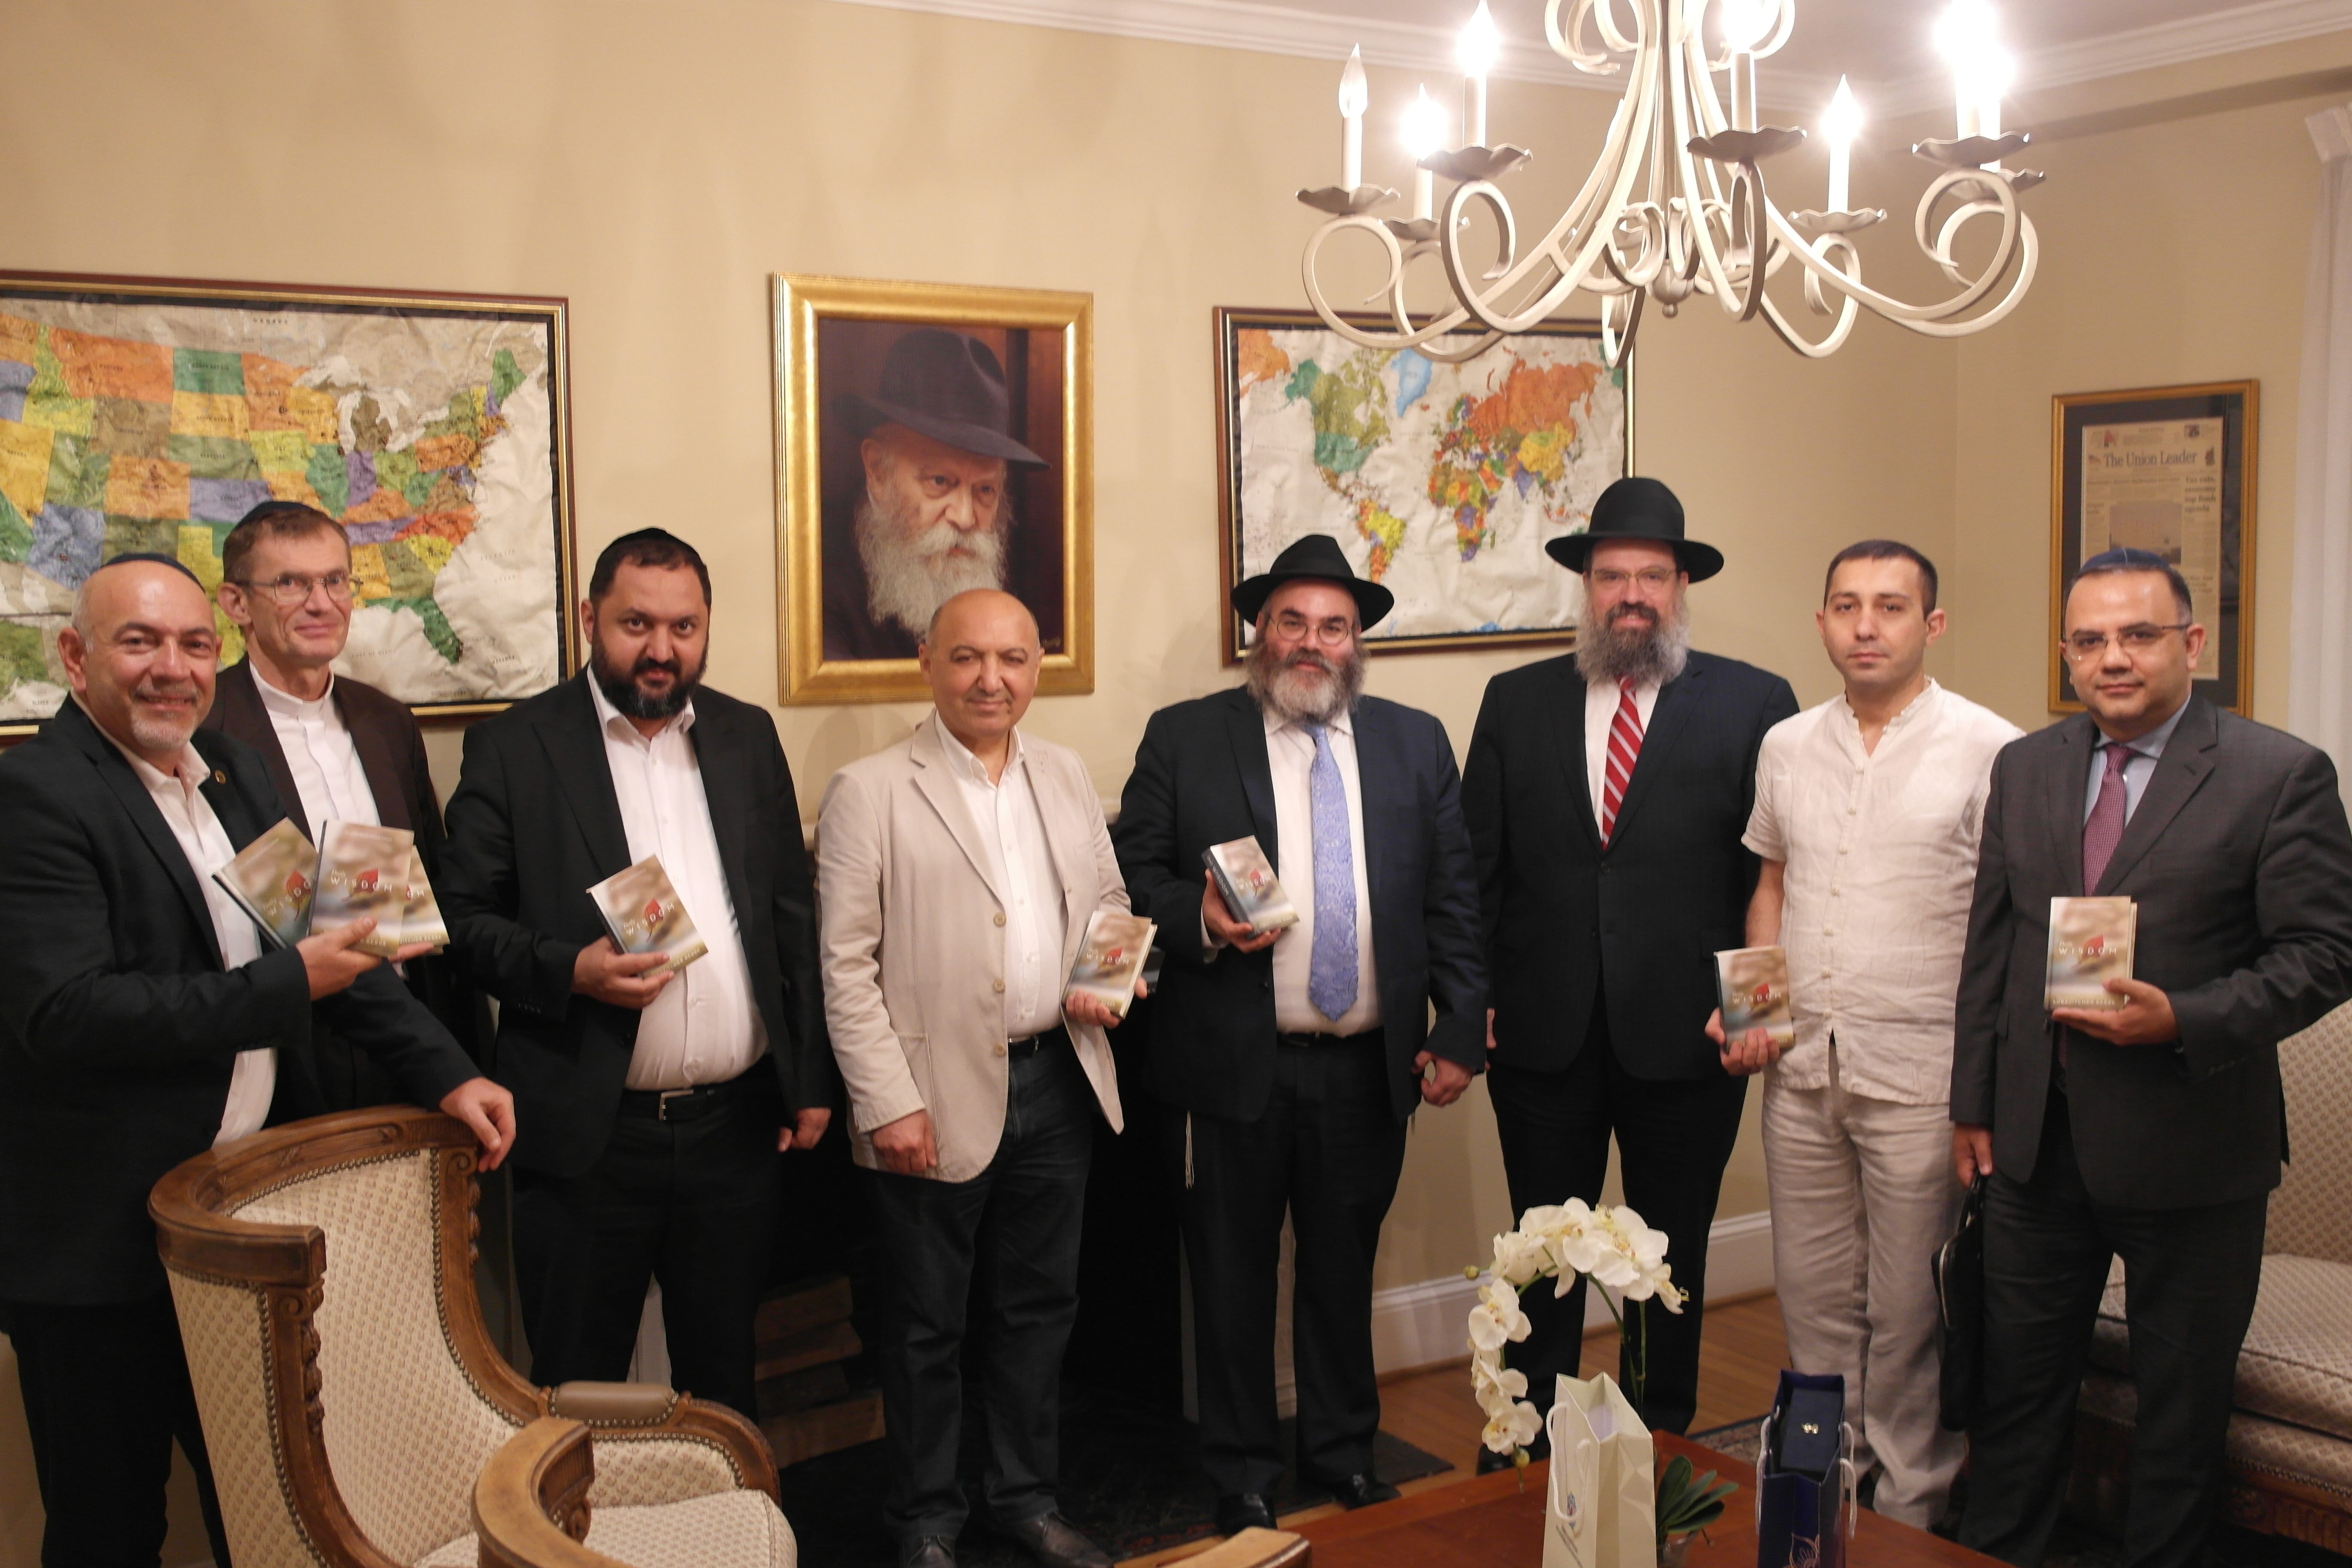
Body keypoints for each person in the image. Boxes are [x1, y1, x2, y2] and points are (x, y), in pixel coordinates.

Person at [0, 554, 512, 1568]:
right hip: (100, 1249)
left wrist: (449, 1072)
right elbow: (66, 1014)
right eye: (140, 642)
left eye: (195, 644)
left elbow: (328, 954)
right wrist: (287, 985)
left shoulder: (226, 773)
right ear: (75, 658)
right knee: (109, 1529)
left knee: (267, 1512)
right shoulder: (34, 794)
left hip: (236, 1229)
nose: (173, 668)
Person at [1951, 547, 2352, 1568]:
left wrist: (2184, 1019)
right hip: (2036, 1149)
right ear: (2066, 655)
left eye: (2138, 635)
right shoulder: (2025, 767)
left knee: (2178, 1422)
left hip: (2193, 1149)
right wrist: (1973, 1106)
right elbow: (1992, 948)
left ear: (2191, 642)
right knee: (2014, 1400)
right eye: (2089, 640)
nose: (2113, 658)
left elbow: (2324, 953)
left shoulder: (2278, 774)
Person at [1114, 533, 1487, 1536]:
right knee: (1230, 1280)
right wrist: (1197, 917)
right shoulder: (1185, 737)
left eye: (1333, 626)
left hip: (1366, 1067)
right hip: (1226, 1067)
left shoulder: (1415, 742)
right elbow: (1129, 877)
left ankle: (1342, 1453)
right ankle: (1241, 1472)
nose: (1312, 643)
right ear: (1260, 633)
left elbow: (1453, 897)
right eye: (1292, 622)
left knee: (1339, 1272)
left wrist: (1459, 1026)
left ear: (1358, 642)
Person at [439, 528, 833, 1419]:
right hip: (590, 1138)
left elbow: (788, 914)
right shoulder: (516, 745)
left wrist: (806, 1078)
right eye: (636, 624)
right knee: (578, 1394)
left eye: (684, 627)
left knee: (723, 1387)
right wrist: (569, 970)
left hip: (735, 1133)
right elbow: (460, 921)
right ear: (589, 619)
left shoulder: (744, 734)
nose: (662, 648)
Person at [1462, 475, 1798, 1449]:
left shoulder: (1754, 701)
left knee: (1669, 1259)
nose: (1631, 596)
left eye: (1651, 576)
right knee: (1540, 1258)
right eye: (1612, 576)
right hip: (1542, 1034)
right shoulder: (1515, 700)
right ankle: (1527, 1443)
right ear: (1586, 586)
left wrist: (1754, 1014)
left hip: (1688, 1037)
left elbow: (1774, 873)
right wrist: (1470, 1000)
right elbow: (1478, 870)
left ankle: (1660, 1445)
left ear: (1680, 585)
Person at [818, 588, 1134, 1568]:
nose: (990, 679)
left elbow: (1111, 903)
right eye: (967, 658)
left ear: (1036, 667)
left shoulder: (1064, 773)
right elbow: (844, 967)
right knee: (924, 1327)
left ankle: (1024, 1502)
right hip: (930, 1100)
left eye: (1012, 658)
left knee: (1038, 1312)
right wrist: (888, 1103)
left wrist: (1106, 982)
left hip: (1058, 1081)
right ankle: (924, 1520)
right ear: (926, 661)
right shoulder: (869, 789)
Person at [1706, 541, 2019, 1528]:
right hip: (1801, 1070)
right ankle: (1820, 1493)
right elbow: (1772, 884)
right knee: (1810, 1300)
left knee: (1909, 1309)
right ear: (1822, 623)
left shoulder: (1990, 749)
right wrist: (1754, 1013)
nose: (1865, 626)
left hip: (1921, 1074)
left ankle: (1910, 1508)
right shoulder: (1787, 744)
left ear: (1932, 625)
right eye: (1846, 606)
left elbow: (2010, 918)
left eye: (1890, 607)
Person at [204, 499, 484, 1102]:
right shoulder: (206, 732)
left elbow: (432, 875)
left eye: (335, 580)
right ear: (236, 604)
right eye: (290, 583)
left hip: (412, 1036)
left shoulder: (387, 720)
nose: (321, 603)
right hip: (288, 1051)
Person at [824, 328, 1049, 661]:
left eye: (985, 490)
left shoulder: (1029, 585)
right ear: (877, 470)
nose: (965, 518)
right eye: (941, 481)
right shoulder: (822, 597)